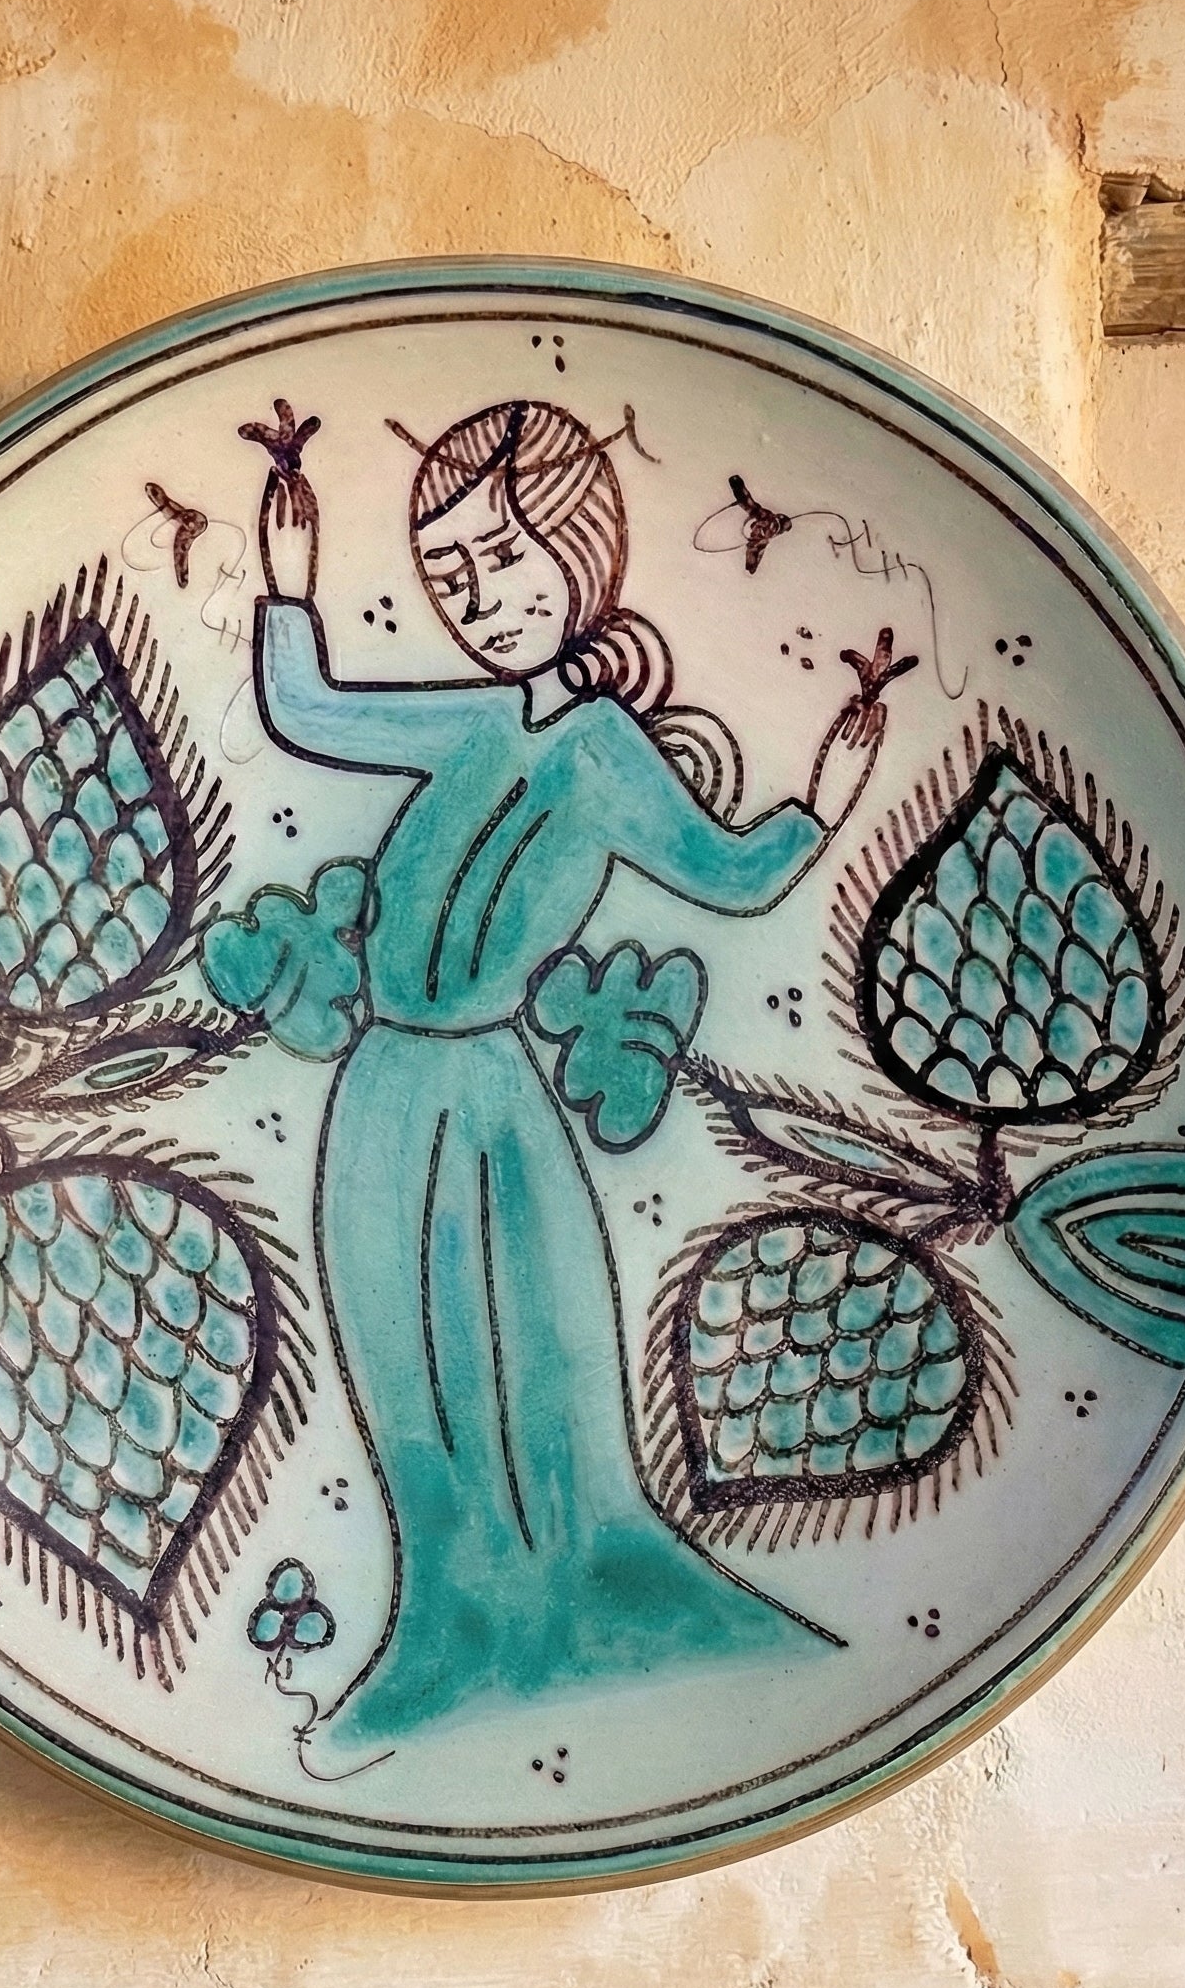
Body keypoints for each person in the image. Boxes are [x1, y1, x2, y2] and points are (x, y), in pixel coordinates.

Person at [240, 396, 883, 1748]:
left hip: (489, 1103)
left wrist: (828, 787)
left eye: (507, 561)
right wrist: (288, 582)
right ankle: (448, 1622)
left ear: (581, 562)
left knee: (530, 1359)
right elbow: (304, 711)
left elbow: (735, 874)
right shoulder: (468, 719)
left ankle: (575, 1600)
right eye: (453, 577)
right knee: (404, 1363)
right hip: (378, 1091)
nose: (481, 601)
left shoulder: (606, 760)